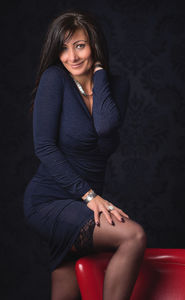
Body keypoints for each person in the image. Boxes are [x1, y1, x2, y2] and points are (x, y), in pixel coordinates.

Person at [23, 8, 147, 300]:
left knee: (65, 291)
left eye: (79, 45)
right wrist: (89, 195)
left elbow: (105, 134)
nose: (72, 57)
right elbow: (44, 147)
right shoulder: (55, 79)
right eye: (63, 49)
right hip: (50, 199)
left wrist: (100, 76)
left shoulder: (117, 87)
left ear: (94, 46)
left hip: (83, 201)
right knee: (133, 236)